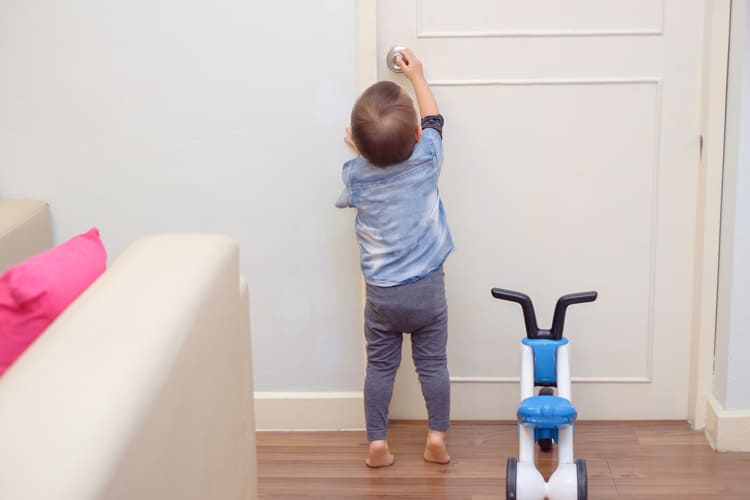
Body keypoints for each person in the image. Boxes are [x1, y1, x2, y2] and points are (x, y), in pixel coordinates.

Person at [335, 49, 453, 468]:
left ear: (358, 144)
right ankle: (436, 436)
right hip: (426, 290)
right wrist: (417, 77)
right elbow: (434, 121)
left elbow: (355, 184)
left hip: (382, 295)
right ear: (417, 137)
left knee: (380, 368)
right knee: (433, 364)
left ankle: (377, 446)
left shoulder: (356, 174)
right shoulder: (427, 159)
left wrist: (364, 155)